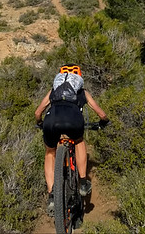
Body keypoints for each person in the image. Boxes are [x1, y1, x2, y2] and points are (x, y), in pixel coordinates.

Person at [34, 64, 109, 216]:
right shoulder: (82, 92)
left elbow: (38, 112)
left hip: (51, 120)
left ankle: (52, 196)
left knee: (50, 152)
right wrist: (104, 121)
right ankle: (82, 182)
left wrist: (40, 123)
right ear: (79, 78)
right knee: (79, 141)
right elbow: (99, 112)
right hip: (73, 120)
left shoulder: (53, 91)